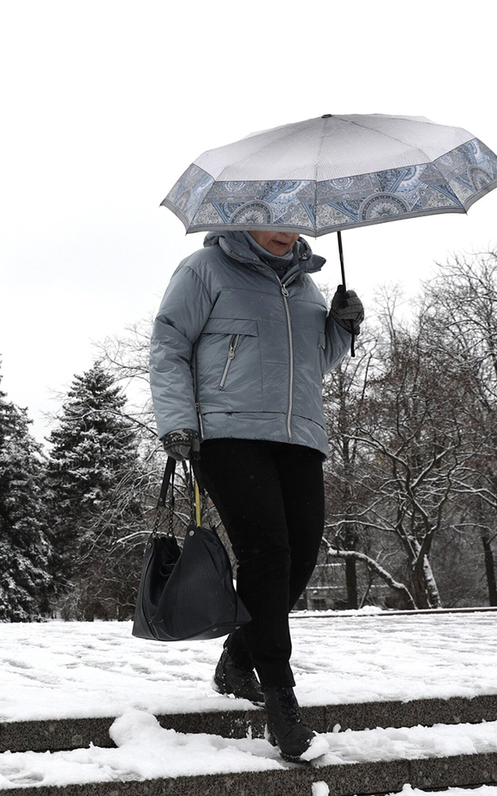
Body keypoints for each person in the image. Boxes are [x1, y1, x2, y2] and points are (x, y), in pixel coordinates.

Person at [150, 229, 363, 763]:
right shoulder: (205, 269)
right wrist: (176, 423)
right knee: (267, 554)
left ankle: (238, 658)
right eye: (269, 215)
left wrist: (342, 327)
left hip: (300, 435)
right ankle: (281, 700)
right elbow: (169, 344)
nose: (282, 227)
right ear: (243, 215)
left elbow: (314, 363)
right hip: (227, 435)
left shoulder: (309, 286)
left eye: (292, 216)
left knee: (301, 557)